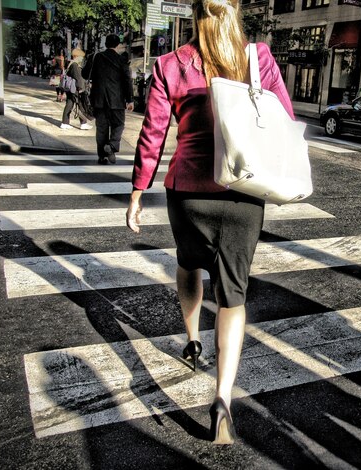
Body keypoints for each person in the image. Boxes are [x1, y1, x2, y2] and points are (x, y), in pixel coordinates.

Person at [126, 0, 295, 445]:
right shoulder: (257, 58)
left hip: (188, 191)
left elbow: (154, 132)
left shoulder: (169, 64)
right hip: (243, 192)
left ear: (195, 10)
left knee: (188, 264)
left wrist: (137, 191)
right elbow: (284, 121)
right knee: (233, 294)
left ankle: (191, 339)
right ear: (235, 9)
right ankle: (222, 399)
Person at [82, 34, 133, 164]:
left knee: (102, 129)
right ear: (118, 45)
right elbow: (127, 80)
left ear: (105, 44)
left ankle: (102, 157)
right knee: (119, 125)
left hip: (99, 99)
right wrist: (130, 100)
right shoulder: (122, 60)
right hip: (117, 100)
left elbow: (84, 74)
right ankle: (111, 146)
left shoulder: (96, 57)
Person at [60, 48, 92, 131]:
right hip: (75, 89)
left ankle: (66, 123)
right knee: (80, 105)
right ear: (77, 56)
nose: (82, 59)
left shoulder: (72, 64)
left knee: (70, 104)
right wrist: (81, 88)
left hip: (72, 89)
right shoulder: (75, 65)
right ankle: (82, 123)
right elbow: (78, 78)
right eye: (81, 57)